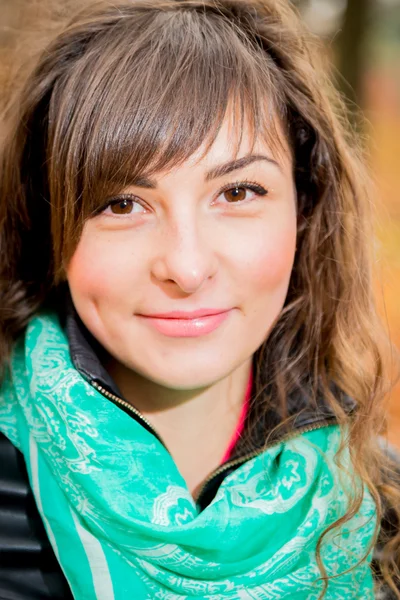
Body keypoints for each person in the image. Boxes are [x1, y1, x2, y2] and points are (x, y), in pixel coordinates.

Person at [0, 0, 399, 598]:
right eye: (121, 204)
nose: (186, 267)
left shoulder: (383, 513)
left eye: (238, 191)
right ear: (48, 228)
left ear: (305, 209)